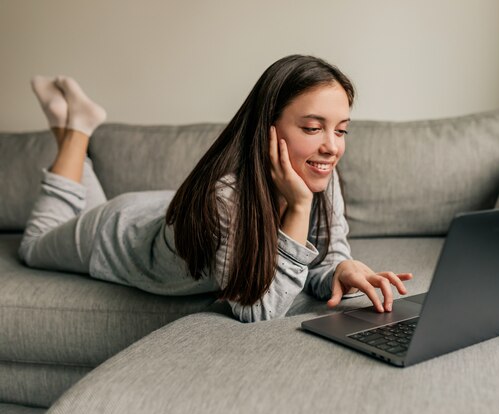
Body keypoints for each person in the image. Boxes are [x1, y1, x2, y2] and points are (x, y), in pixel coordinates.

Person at [20, 55, 413, 323]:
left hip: (158, 211)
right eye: (312, 128)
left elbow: (322, 258)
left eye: (341, 129)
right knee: (34, 246)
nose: (331, 145)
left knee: (69, 216)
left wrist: (340, 269)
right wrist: (296, 208)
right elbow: (259, 311)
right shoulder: (225, 202)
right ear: (267, 128)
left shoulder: (318, 172)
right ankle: (75, 133)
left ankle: (67, 123)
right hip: (115, 233)